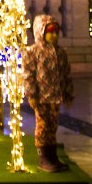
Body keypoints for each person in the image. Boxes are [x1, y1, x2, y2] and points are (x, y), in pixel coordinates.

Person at [22, 14, 74, 173]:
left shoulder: (60, 53)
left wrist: (68, 93)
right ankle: (43, 157)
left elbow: (66, 74)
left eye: (56, 32)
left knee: (53, 125)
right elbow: (28, 75)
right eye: (50, 32)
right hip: (42, 97)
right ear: (40, 32)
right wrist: (31, 95)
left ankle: (52, 156)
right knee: (43, 126)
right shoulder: (33, 52)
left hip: (55, 96)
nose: (54, 35)